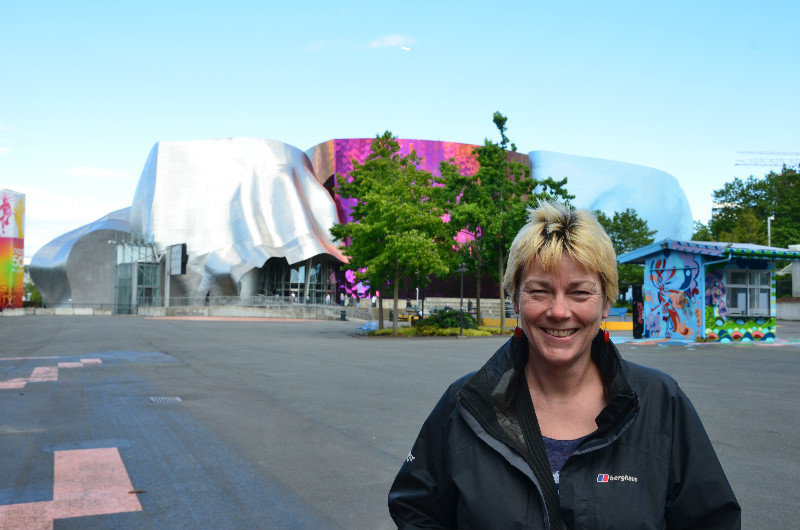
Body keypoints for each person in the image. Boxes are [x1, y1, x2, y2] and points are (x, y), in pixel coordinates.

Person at [388, 202, 740, 529]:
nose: (558, 311)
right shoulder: (466, 402)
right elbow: (417, 507)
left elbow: (711, 519)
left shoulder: (660, 402)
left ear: (605, 303)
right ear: (515, 300)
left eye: (579, 293)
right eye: (539, 291)